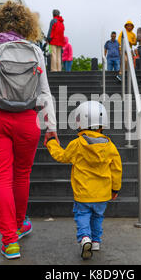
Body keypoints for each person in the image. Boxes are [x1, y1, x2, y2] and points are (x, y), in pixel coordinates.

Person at [0, 1, 59, 259]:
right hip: (28, 120)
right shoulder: (36, 51)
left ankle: (10, 241)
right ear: (27, 25)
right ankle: (18, 225)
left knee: (1, 179)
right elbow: (46, 93)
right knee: (22, 175)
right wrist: (51, 126)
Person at [46, 101, 122, 260]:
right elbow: (116, 169)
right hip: (102, 194)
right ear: (102, 125)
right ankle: (95, 241)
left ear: (81, 123)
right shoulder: (111, 146)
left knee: (82, 215)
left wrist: (51, 143)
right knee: (97, 217)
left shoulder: (77, 144)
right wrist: (115, 189)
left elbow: (62, 157)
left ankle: (84, 238)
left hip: (83, 192)